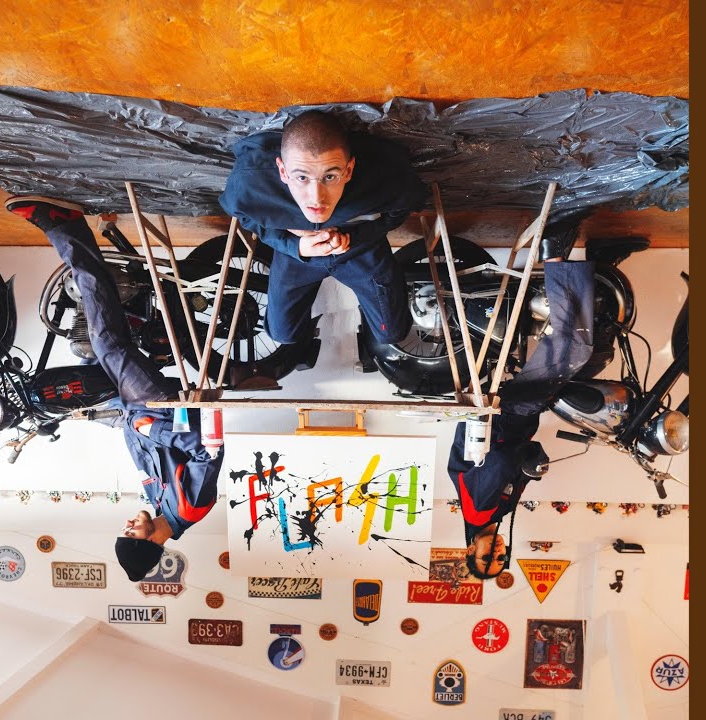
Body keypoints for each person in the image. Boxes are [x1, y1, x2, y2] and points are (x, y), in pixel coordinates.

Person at [5, 195, 224, 582]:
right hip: (156, 405)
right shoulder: (190, 508)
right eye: (130, 533)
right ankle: (63, 225)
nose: (128, 525)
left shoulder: (158, 503)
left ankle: (118, 287)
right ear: (151, 541)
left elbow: (140, 445)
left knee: (73, 381)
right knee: (106, 342)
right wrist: (149, 429)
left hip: (131, 409)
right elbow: (208, 450)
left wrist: (103, 419)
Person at [446, 224, 595, 579]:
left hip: (505, 415)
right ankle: (601, 261)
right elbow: (518, 466)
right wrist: (531, 469)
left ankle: (553, 254)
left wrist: (529, 465)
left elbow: (500, 460)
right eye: (502, 558)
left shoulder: (479, 511)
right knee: (592, 367)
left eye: (488, 557)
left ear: (470, 550)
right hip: (514, 417)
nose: (497, 552)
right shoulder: (497, 513)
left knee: (577, 349)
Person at [219, 110, 427, 346]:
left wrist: (354, 237)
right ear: (283, 171)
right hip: (296, 256)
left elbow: (405, 206)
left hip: (360, 250)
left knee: (392, 334)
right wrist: (293, 244)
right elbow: (243, 216)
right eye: (302, 178)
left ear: (348, 170)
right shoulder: (250, 184)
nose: (316, 198)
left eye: (330, 177)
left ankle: (368, 311)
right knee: (282, 335)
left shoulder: (385, 178)